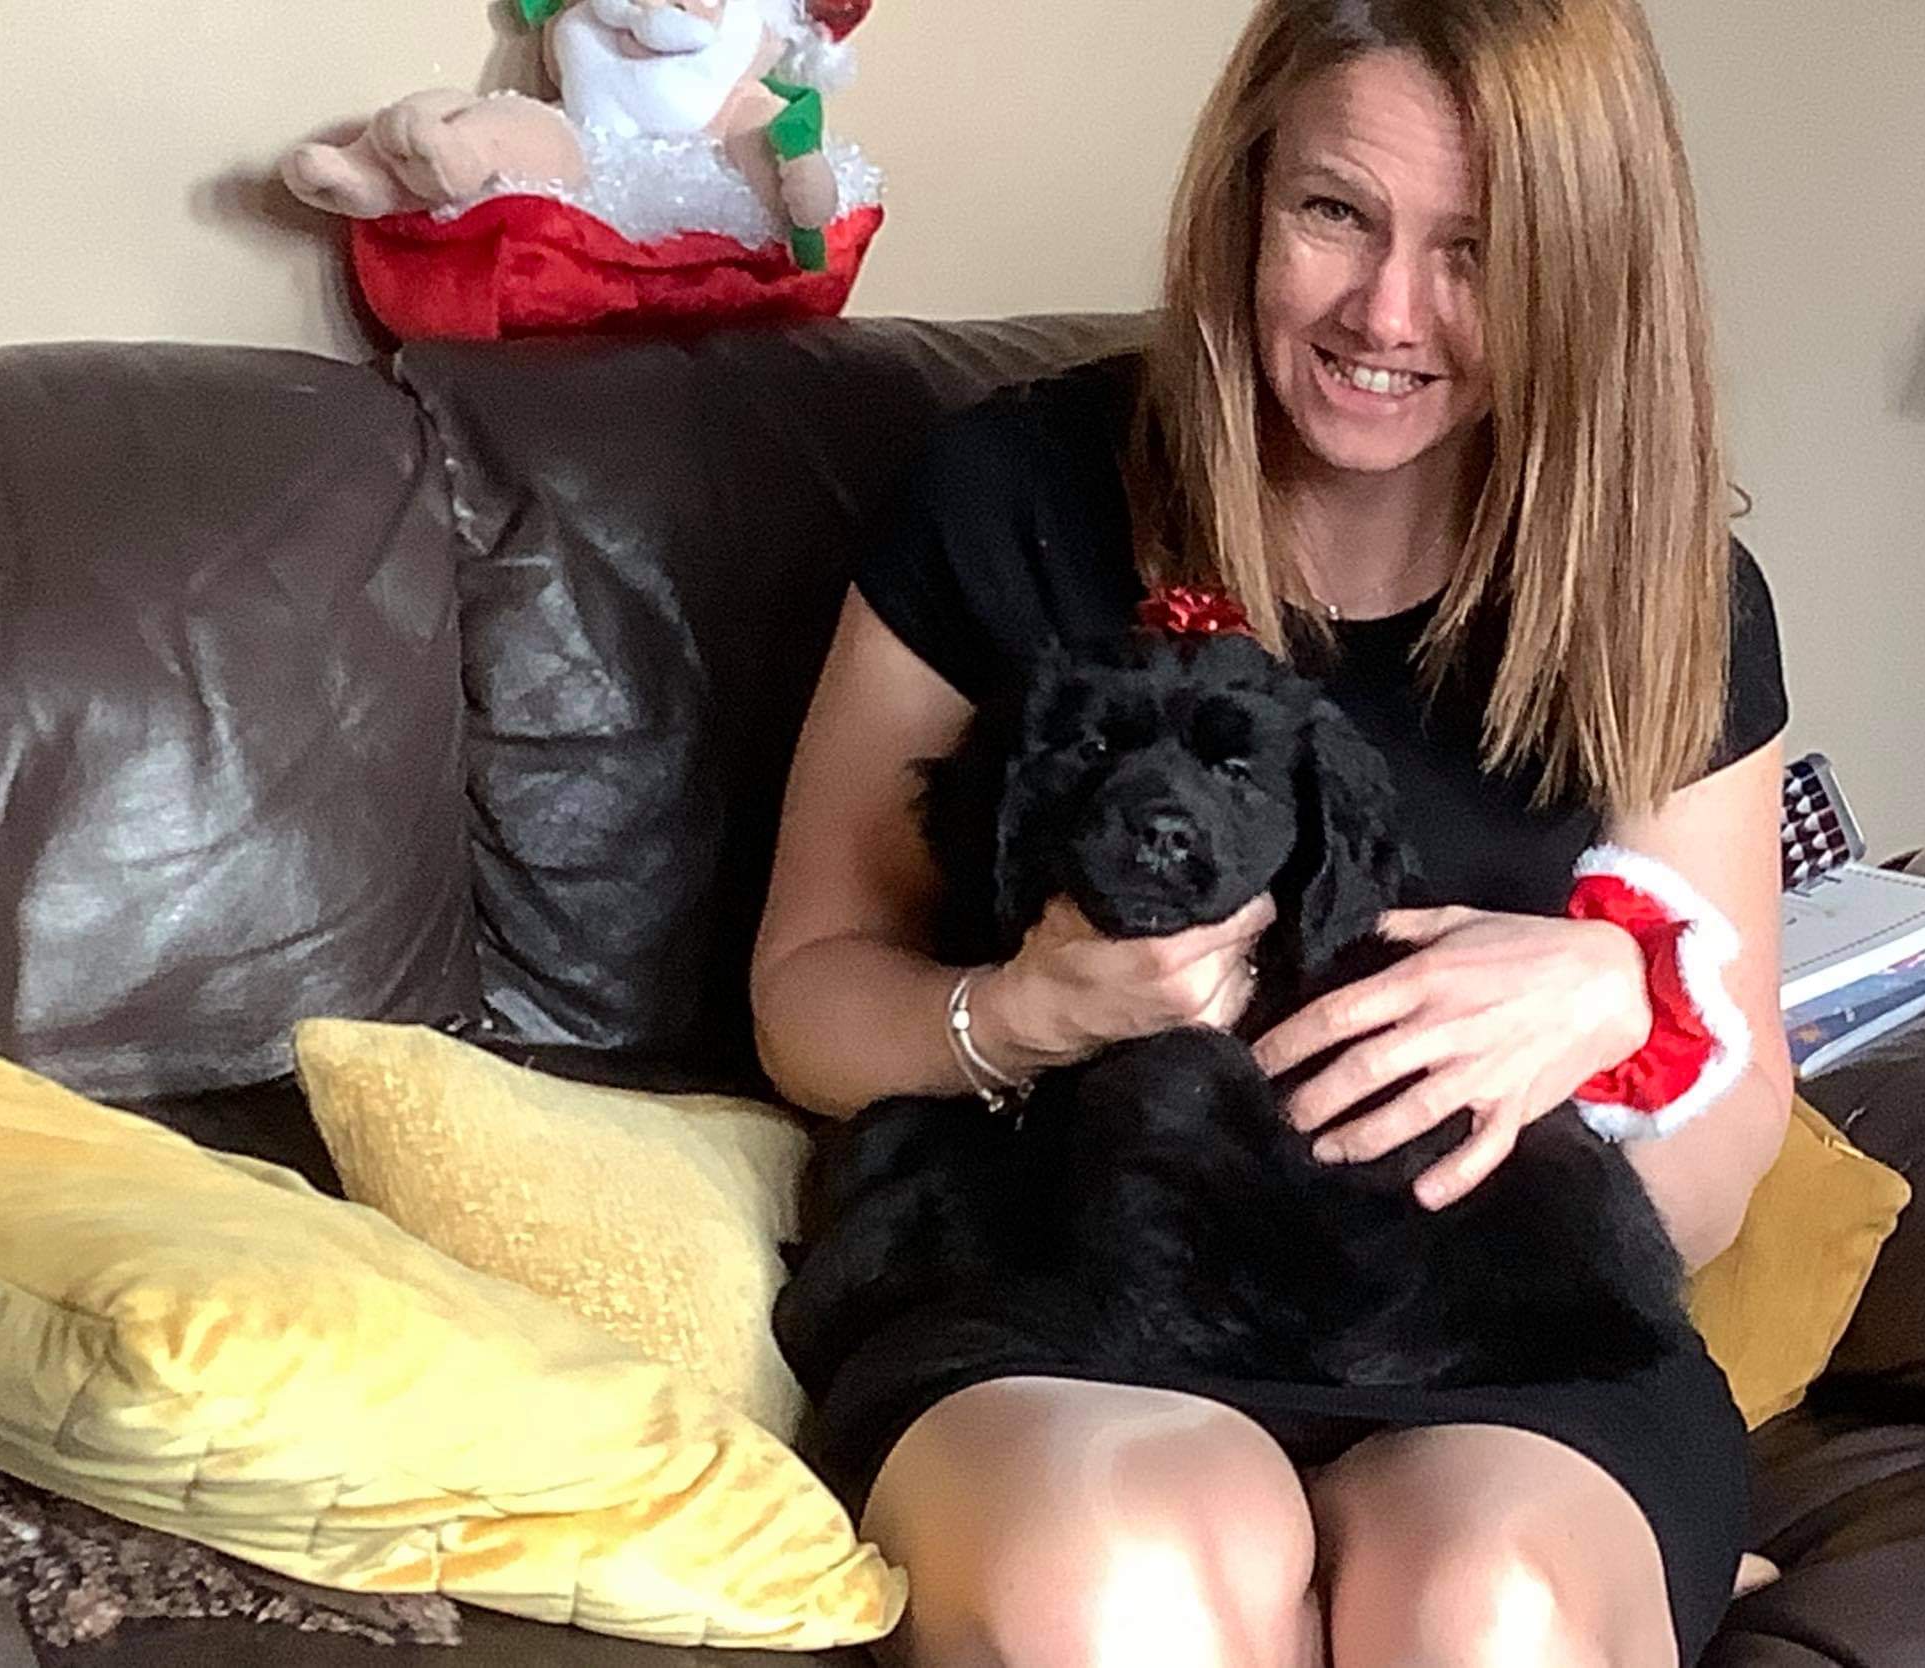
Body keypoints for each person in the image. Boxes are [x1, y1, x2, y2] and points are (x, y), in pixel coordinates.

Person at [749, 0, 1792, 1661]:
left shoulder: (1662, 591)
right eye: (1334, 212)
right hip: (1071, 1297)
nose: (1389, 312)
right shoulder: (1010, 491)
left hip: (1486, 1338)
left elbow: (1719, 1169)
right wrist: (1017, 1015)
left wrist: (1621, 1001)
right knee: (1125, 1564)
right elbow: (808, 992)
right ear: (1245, 197)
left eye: (1477, 249)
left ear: (1583, 266)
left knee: (1489, 1603)